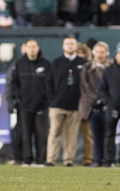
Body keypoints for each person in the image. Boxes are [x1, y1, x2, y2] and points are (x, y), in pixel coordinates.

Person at [45, 36, 86, 167]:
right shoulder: (56, 63)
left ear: (76, 46)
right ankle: (51, 159)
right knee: (54, 133)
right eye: (67, 44)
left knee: (72, 136)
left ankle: (68, 160)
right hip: (57, 105)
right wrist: (52, 100)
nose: (69, 46)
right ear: (63, 46)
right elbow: (48, 82)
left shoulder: (83, 63)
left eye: (72, 44)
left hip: (75, 106)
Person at [9, 39, 51, 166]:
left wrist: (47, 99)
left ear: (38, 48)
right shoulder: (19, 64)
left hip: (42, 106)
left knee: (41, 134)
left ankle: (40, 160)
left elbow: (50, 84)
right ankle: (26, 159)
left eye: (34, 46)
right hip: (25, 105)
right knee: (25, 134)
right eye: (29, 46)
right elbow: (13, 83)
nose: (32, 49)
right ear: (25, 48)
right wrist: (18, 96)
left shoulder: (46, 64)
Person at [79, 42, 113, 167]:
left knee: (110, 134)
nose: (100, 55)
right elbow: (85, 88)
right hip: (92, 108)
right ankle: (98, 160)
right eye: (97, 52)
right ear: (93, 53)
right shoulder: (87, 67)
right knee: (95, 135)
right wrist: (97, 100)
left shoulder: (112, 67)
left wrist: (106, 100)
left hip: (109, 106)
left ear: (106, 53)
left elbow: (114, 86)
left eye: (102, 52)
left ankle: (109, 160)